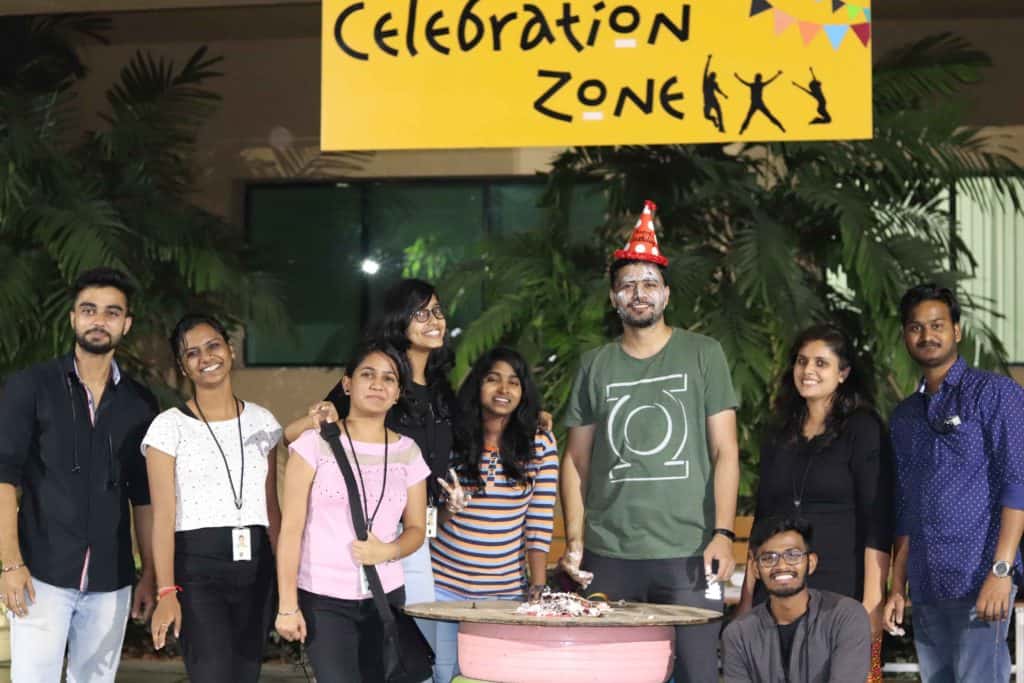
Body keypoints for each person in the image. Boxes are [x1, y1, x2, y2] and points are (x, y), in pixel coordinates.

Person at [559, 200, 740, 683]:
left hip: (689, 553)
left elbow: (726, 451)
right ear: (614, 298)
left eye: (649, 285)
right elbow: (575, 460)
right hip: (608, 556)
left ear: (667, 294)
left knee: (698, 673)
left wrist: (724, 533)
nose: (639, 295)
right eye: (628, 286)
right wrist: (576, 540)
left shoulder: (704, 354)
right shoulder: (595, 365)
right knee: (610, 676)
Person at [283, 278, 456, 671]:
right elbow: (295, 435)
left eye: (438, 311)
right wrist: (317, 420)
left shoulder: (443, 390)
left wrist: (534, 418)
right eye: (421, 312)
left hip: (411, 541)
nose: (434, 320)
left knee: (409, 663)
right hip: (347, 553)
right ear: (399, 321)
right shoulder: (373, 373)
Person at [0, 267, 157, 682]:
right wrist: (10, 564)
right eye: (89, 310)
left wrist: (151, 575)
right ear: (73, 318)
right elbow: (4, 478)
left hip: (112, 578)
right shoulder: (31, 386)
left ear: (126, 324)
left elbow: (144, 497)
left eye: (111, 312)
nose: (98, 320)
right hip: (40, 575)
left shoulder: (140, 403)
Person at [883, 284, 1024, 682]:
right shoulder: (905, 417)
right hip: (928, 584)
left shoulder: (995, 393)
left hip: (980, 577)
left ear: (957, 331)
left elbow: (1019, 481)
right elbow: (906, 506)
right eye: (916, 327)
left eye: (937, 325)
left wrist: (1001, 570)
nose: (927, 335)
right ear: (905, 336)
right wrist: (899, 586)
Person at [739, 324, 891, 682]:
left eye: (822, 363)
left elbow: (877, 521)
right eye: (802, 361)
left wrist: (871, 604)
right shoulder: (780, 432)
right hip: (776, 589)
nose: (808, 370)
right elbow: (763, 521)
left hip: (840, 588)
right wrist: (747, 598)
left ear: (843, 373)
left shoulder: (863, 429)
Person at [275, 341, 430, 682]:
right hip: (323, 599)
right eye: (367, 374)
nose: (378, 384)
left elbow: (417, 528)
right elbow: (292, 529)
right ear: (347, 384)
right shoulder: (314, 444)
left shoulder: (408, 452)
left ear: (398, 392)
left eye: (389, 379)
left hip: (385, 597)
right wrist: (288, 606)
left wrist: (388, 550)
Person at [144, 314, 282, 681]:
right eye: (192, 353)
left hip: (257, 567)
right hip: (197, 570)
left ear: (230, 350)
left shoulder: (263, 422)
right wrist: (166, 591)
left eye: (213, 345)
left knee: (245, 674)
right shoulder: (168, 427)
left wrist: (287, 579)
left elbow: (272, 509)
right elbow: (163, 516)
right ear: (183, 366)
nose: (206, 357)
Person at [430, 347, 559, 682]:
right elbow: (426, 520)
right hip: (443, 590)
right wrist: (448, 508)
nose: (504, 390)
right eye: (493, 380)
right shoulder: (449, 438)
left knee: (496, 675)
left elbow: (539, 523)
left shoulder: (539, 444)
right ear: (477, 385)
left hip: (504, 595)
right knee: (444, 674)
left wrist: (539, 586)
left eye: (514, 383)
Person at [722, 517, 871, 682]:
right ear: (755, 569)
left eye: (793, 555)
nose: (781, 566)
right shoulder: (739, 634)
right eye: (769, 558)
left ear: (811, 562)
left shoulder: (845, 616)